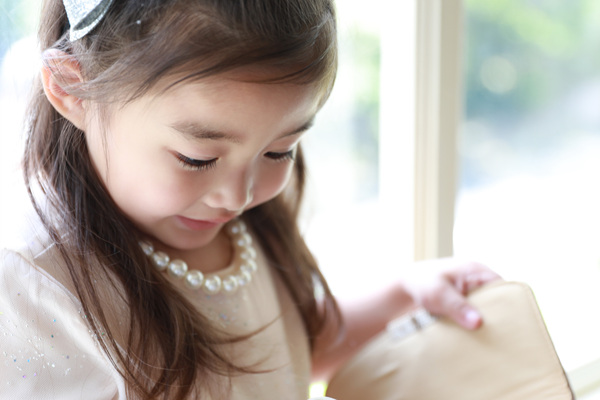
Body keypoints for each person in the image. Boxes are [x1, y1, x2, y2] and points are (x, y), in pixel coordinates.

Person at [0, 0, 500, 398]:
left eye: (280, 150)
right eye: (197, 158)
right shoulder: (32, 286)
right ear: (74, 90)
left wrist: (404, 293)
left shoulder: (236, 216)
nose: (238, 196)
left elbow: (286, 353)